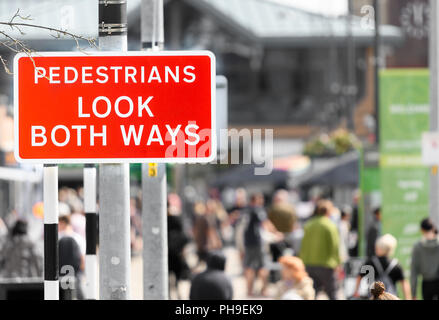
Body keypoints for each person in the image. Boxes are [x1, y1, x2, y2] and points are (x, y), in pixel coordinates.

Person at [241, 193, 282, 297]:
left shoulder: (245, 210)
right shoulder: (257, 210)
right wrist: (276, 233)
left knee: (249, 267)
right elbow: (265, 223)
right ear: (257, 199)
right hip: (257, 243)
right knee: (263, 266)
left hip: (247, 243)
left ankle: (249, 291)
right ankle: (264, 290)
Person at [299, 200, 341, 300]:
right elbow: (334, 246)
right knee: (332, 293)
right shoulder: (329, 225)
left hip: (309, 263)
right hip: (326, 264)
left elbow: (303, 245)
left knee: (311, 293)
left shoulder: (309, 224)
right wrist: (337, 263)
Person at [353, 234, 411, 299]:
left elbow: (359, 276)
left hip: (373, 297)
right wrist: (407, 297)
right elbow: (404, 283)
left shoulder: (371, 262)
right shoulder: (396, 265)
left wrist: (356, 291)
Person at [410, 218, 439, 300]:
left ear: (422, 230)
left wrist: (413, 293)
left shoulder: (417, 246)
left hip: (426, 285)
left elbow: (414, 271)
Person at [58, 214, 85, 299]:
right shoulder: (78, 237)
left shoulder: (58, 237)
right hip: (75, 271)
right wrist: (82, 270)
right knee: (77, 293)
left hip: (61, 271)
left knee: (64, 294)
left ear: (63, 223)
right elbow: (82, 255)